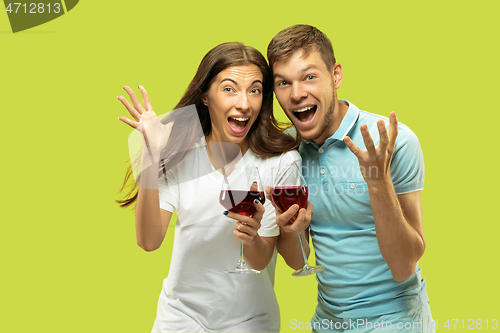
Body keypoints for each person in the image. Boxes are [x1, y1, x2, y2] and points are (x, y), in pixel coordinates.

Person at [116, 42, 301, 332]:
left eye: (254, 90)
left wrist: (251, 237)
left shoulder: (280, 162)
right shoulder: (180, 152)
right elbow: (149, 241)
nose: (244, 103)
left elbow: (260, 260)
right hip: (180, 316)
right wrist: (152, 158)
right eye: (229, 89)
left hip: (250, 321)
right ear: (205, 96)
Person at [267, 25, 434, 332]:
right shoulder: (287, 152)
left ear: (336, 76)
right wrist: (290, 230)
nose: (297, 93)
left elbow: (404, 265)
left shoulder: (392, 142)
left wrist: (378, 182)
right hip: (327, 322)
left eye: (309, 76)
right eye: (283, 82)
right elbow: (296, 261)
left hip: (396, 322)